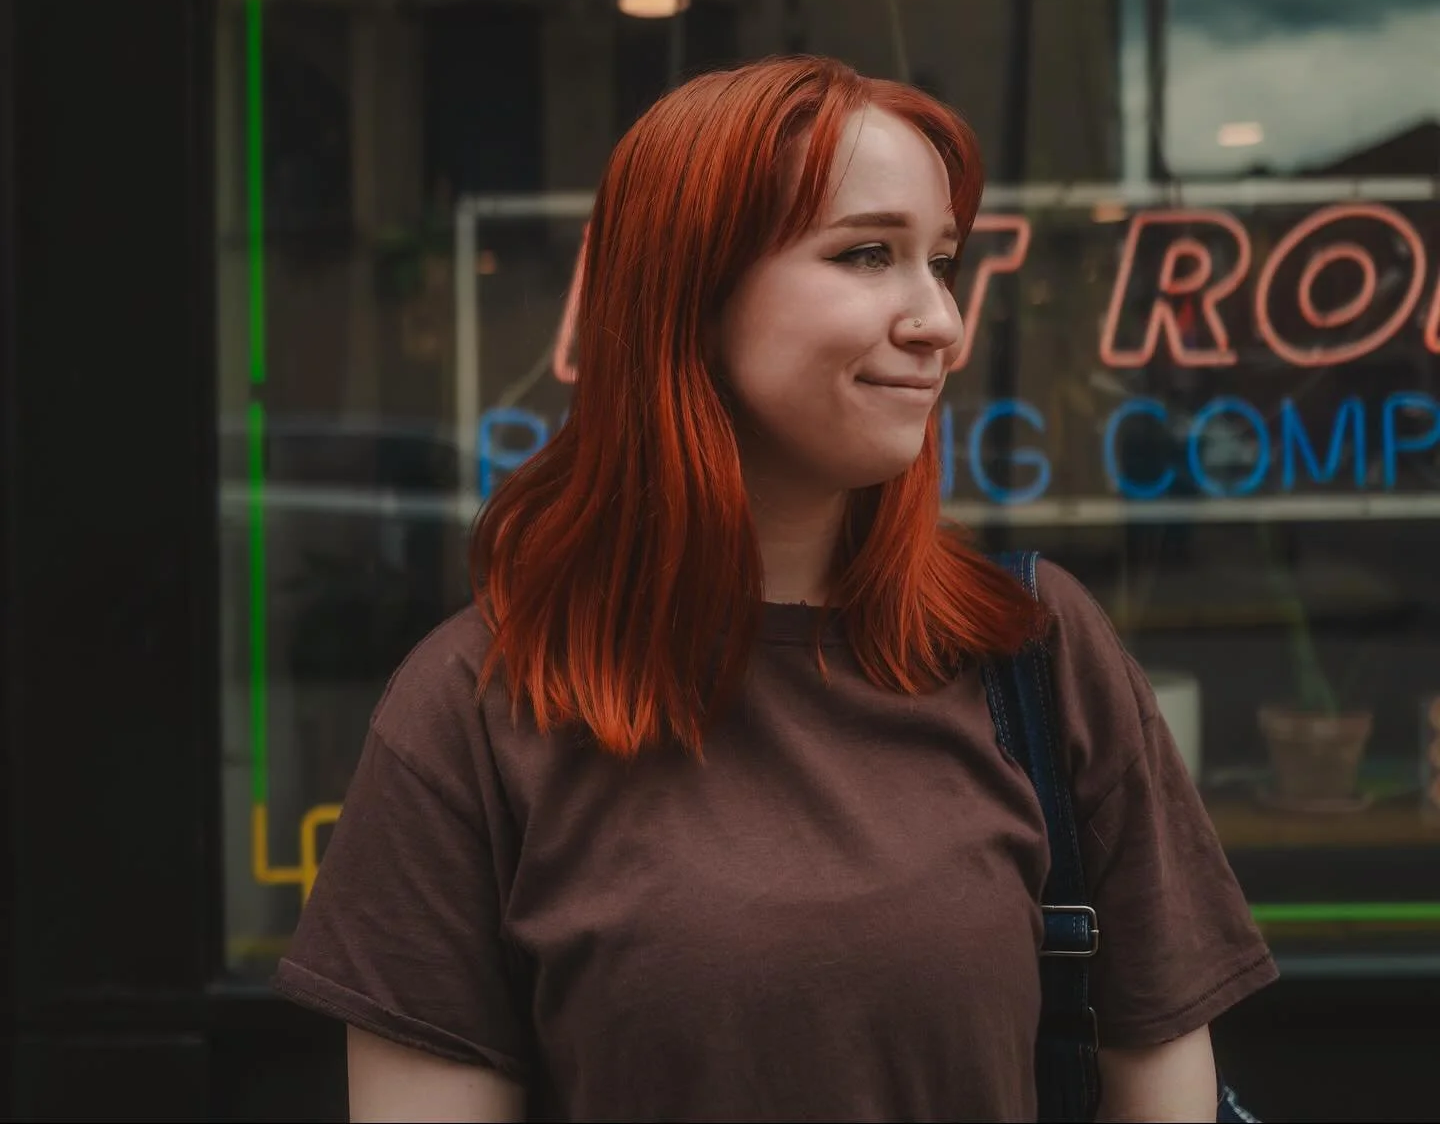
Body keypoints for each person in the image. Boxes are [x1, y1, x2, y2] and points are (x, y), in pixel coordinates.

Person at [273, 55, 1277, 1123]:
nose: (941, 318)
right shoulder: (476, 707)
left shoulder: (1033, 650)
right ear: (688, 296)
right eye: (866, 254)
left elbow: (1160, 1085)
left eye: (941, 261)